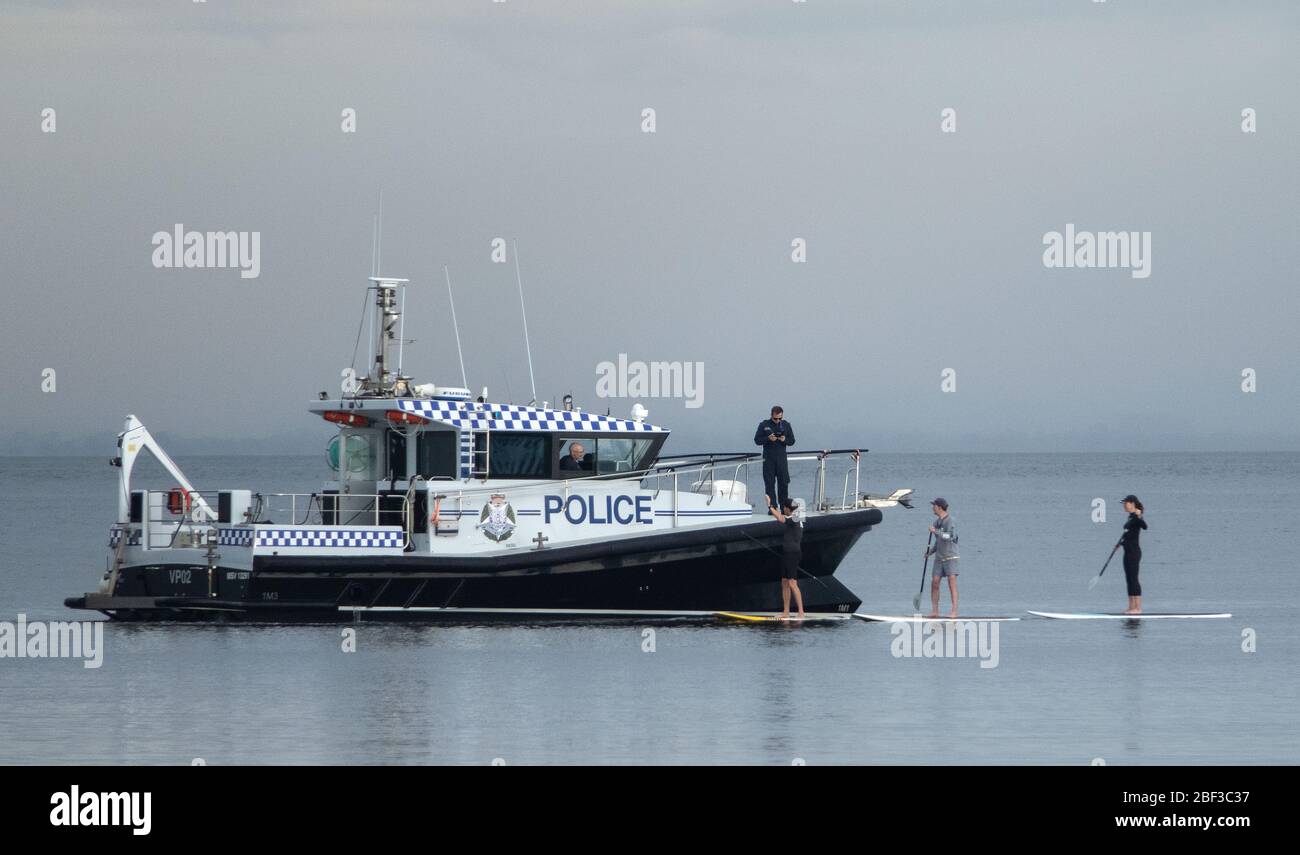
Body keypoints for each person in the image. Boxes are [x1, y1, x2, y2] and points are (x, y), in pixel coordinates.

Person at [767, 494, 804, 620]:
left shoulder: (794, 518)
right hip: (787, 553)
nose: (783, 509)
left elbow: (781, 519)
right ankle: (786, 612)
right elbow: (783, 517)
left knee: (793, 583)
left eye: (784, 507)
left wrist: (770, 506)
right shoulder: (792, 516)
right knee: (784, 582)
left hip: (792, 554)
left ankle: (801, 613)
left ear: (789, 509)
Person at [754, 406, 795, 512]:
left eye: (780, 418)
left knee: (783, 484)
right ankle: (772, 508)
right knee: (769, 484)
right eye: (775, 418)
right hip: (768, 459)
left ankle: (784, 507)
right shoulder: (764, 425)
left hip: (781, 459)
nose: (778, 421)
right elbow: (757, 440)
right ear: (771, 415)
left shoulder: (786, 425)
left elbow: (792, 441)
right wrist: (768, 438)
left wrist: (784, 439)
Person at [925, 498, 959, 618]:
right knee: (934, 582)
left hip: (951, 556)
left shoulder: (950, 521)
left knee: (951, 583)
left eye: (934, 505)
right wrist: (930, 552)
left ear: (939, 507)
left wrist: (936, 532)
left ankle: (954, 612)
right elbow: (938, 541)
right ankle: (935, 611)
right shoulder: (936, 522)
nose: (932, 507)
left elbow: (949, 536)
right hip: (939, 558)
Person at [1119, 494, 1147, 615]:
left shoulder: (1136, 517)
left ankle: (1138, 608)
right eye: (1124, 504)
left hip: (1134, 553)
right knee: (1129, 579)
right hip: (1127, 551)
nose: (1124, 506)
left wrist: (1139, 515)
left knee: (1134, 579)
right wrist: (1121, 543)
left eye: (1126, 503)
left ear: (1132, 504)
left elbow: (1144, 526)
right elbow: (1129, 534)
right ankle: (1131, 607)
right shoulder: (1130, 517)